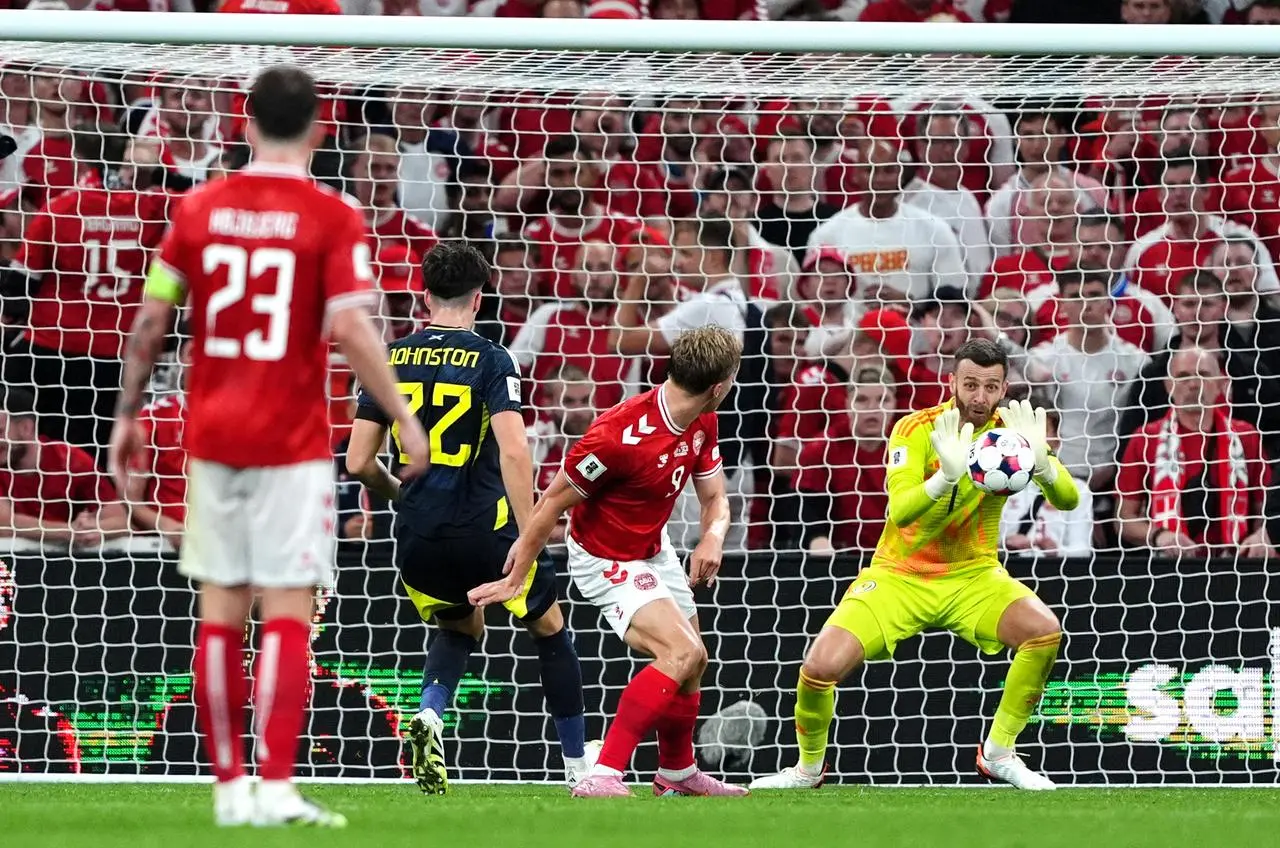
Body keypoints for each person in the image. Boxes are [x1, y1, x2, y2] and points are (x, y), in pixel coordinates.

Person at [107, 65, 428, 828]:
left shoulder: (196, 208)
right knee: (287, 612)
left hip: (212, 439)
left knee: (219, 614)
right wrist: (402, 417)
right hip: (292, 444)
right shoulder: (334, 215)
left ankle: (227, 791)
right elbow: (350, 327)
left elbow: (153, 323)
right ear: (320, 130)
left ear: (244, 124)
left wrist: (125, 414)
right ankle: (276, 787)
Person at [751, 339, 1079, 791]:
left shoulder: (1011, 436)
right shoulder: (915, 428)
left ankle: (999, 752)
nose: (979, 397)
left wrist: (1043, 464)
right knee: (818, 669)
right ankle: (807, 769)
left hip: (973, 576)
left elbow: (1069, 500)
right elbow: (900, 510)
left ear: (1004, 389)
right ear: (952, 383)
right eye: (970, 384)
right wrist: (944, 476)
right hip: (898, 576)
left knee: (1044, 632)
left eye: (990, 386)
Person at [345, 241, 592, 795]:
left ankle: (431, 715)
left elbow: (358, 461)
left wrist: (402, 498)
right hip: (487, 530)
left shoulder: (389, 357)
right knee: (549, 630)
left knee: (460, 626)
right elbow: (513, 451)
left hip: (419, 537)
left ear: (423, 295)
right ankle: (579, 767)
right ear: (479, 298)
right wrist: (531, 533)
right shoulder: (491, 358)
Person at [469, 326, 749, 799]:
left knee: (693, 663)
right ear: (719, 386)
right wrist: (518, 575)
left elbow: (716, 497)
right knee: (683, 654)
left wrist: (712, 539)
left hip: (654, 549)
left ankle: (677, 773)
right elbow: (552, 503)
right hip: (604, 557)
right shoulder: (617, 436)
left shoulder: (704, 418)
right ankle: (602, 773)